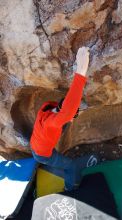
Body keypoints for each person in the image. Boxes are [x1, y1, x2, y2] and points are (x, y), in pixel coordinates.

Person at [30, 47, 99, 190]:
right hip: (43, 154)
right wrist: (81, 72)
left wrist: (70, 116)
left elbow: (65, 110)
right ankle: (70, 187)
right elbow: (67, 112)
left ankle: (68, 120)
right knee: (71, 166)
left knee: (65, 123)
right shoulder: (52, 122)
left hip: (37, 145)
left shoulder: (47, 108)